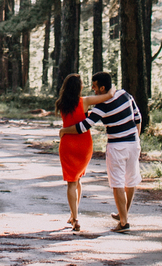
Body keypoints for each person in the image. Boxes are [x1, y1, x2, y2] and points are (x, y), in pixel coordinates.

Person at [59, 70, 142, 232]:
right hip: (132, 142)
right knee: (130, 181)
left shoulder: (99, 107)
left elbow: (83, 126)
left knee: (116, 182)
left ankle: (123, 221)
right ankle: (123, 213)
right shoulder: (125, 95)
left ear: (102, 88)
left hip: (115, 146)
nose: (93, 89)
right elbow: (138, 117)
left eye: (95, 87)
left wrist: (64, 131)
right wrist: (136, 138)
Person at [54, 73, 113, 232]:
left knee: (71, 182)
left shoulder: (61, 103)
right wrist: (113, 88)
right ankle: (74, 215)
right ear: (79, 87)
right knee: (78, 179)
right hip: (84, 144)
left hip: (68, 144)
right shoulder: (85, 101)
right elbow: (108, 95)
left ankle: (75, 217)